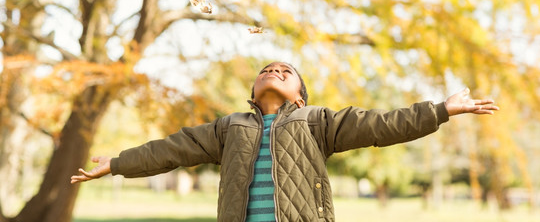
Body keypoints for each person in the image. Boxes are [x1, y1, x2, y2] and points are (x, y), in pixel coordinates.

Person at [71, 61, 498, 222]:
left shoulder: (319, 122)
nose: (273, 71)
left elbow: (382, 125)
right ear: (253, 91)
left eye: (285, 70)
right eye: (265, 70)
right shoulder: (229, 127)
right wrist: (119, 162)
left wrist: (441, 109)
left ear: (300, 94)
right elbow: (170, 149)